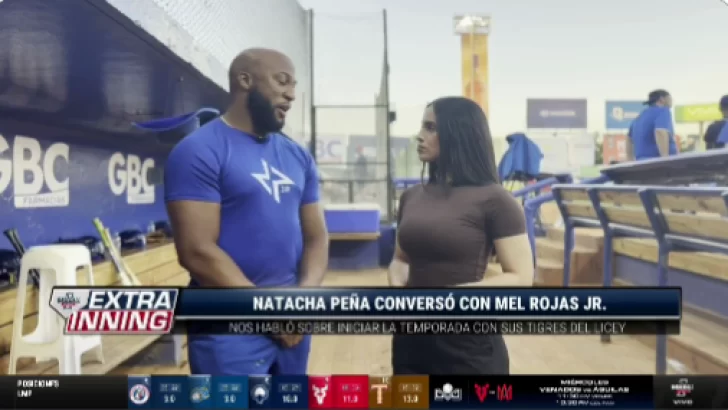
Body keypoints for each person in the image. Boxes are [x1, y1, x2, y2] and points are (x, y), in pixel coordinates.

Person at [164, 48, 329, 375]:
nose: (291, 94)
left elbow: (317, 237)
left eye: (293, 85)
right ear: (245, 80)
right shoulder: (198, 150)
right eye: (282, 81)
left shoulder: (298, 156)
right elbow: (197, 251)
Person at [388, 97, 533, 375]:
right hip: (410, 339)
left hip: (467, 345)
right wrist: (398, 289)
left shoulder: (497, 200)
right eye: (422, 126)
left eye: (431, 128)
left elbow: (520, 277)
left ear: (458, 134)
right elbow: (401, 259)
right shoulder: (411, 197)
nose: (420, 135)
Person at [626, 90, 677, 160]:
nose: (672, 101)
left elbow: (628, 138)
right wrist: (665, 159)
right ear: (662, 99)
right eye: (670, 98)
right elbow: (660, 131)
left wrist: (630, 160)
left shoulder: (639, 116)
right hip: (657, 162)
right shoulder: (663, 111)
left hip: (641, 162)